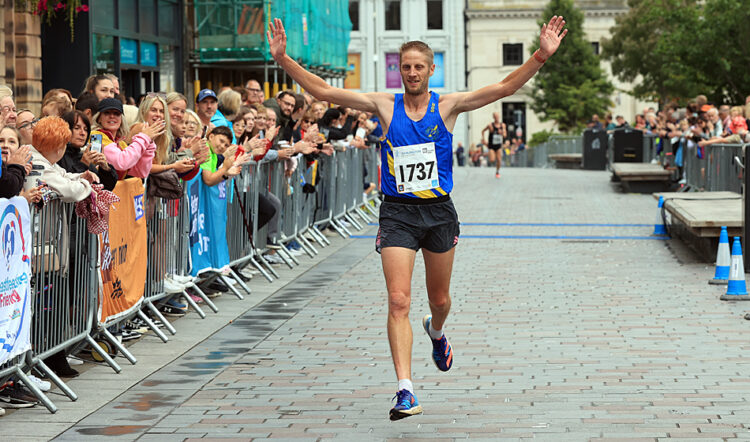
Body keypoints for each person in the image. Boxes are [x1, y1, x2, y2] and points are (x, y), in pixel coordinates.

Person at [267, 15, 567, 420]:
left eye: (418, 67)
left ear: (430, 70)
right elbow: (323, 90)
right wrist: (284, 60)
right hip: (398, 214)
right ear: (399, 70)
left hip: (439, 212)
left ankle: (436, 331)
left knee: (440, 300)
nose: (411, 73)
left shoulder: (449, 105)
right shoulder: (382, 104)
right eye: (405, 66)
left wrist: (540, 57)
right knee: (398, 299)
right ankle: (405, 389)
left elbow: (503, 88)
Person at [90, 97, 164, 179]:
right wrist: (144, 137)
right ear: (99, 118)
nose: (112, 116)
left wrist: (149, 144)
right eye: (107, 113)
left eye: (116, 113)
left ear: (121, 119)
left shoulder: (121, 143)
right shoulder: (95, 137)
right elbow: (121, 162)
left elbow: (140, 172)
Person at [480, 112, 507, 178]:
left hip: (499, 146)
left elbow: (505, 135)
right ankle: (493, 156)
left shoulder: (502, 125)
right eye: (495, 116)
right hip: (491, 146)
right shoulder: (490, 125)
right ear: (493, 117)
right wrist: (484, 140)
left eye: (498, 116)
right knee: (492, 160)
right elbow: (483, 131)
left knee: (499, 160)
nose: (497, 118)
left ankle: (497, 172)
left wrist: (502, 133)